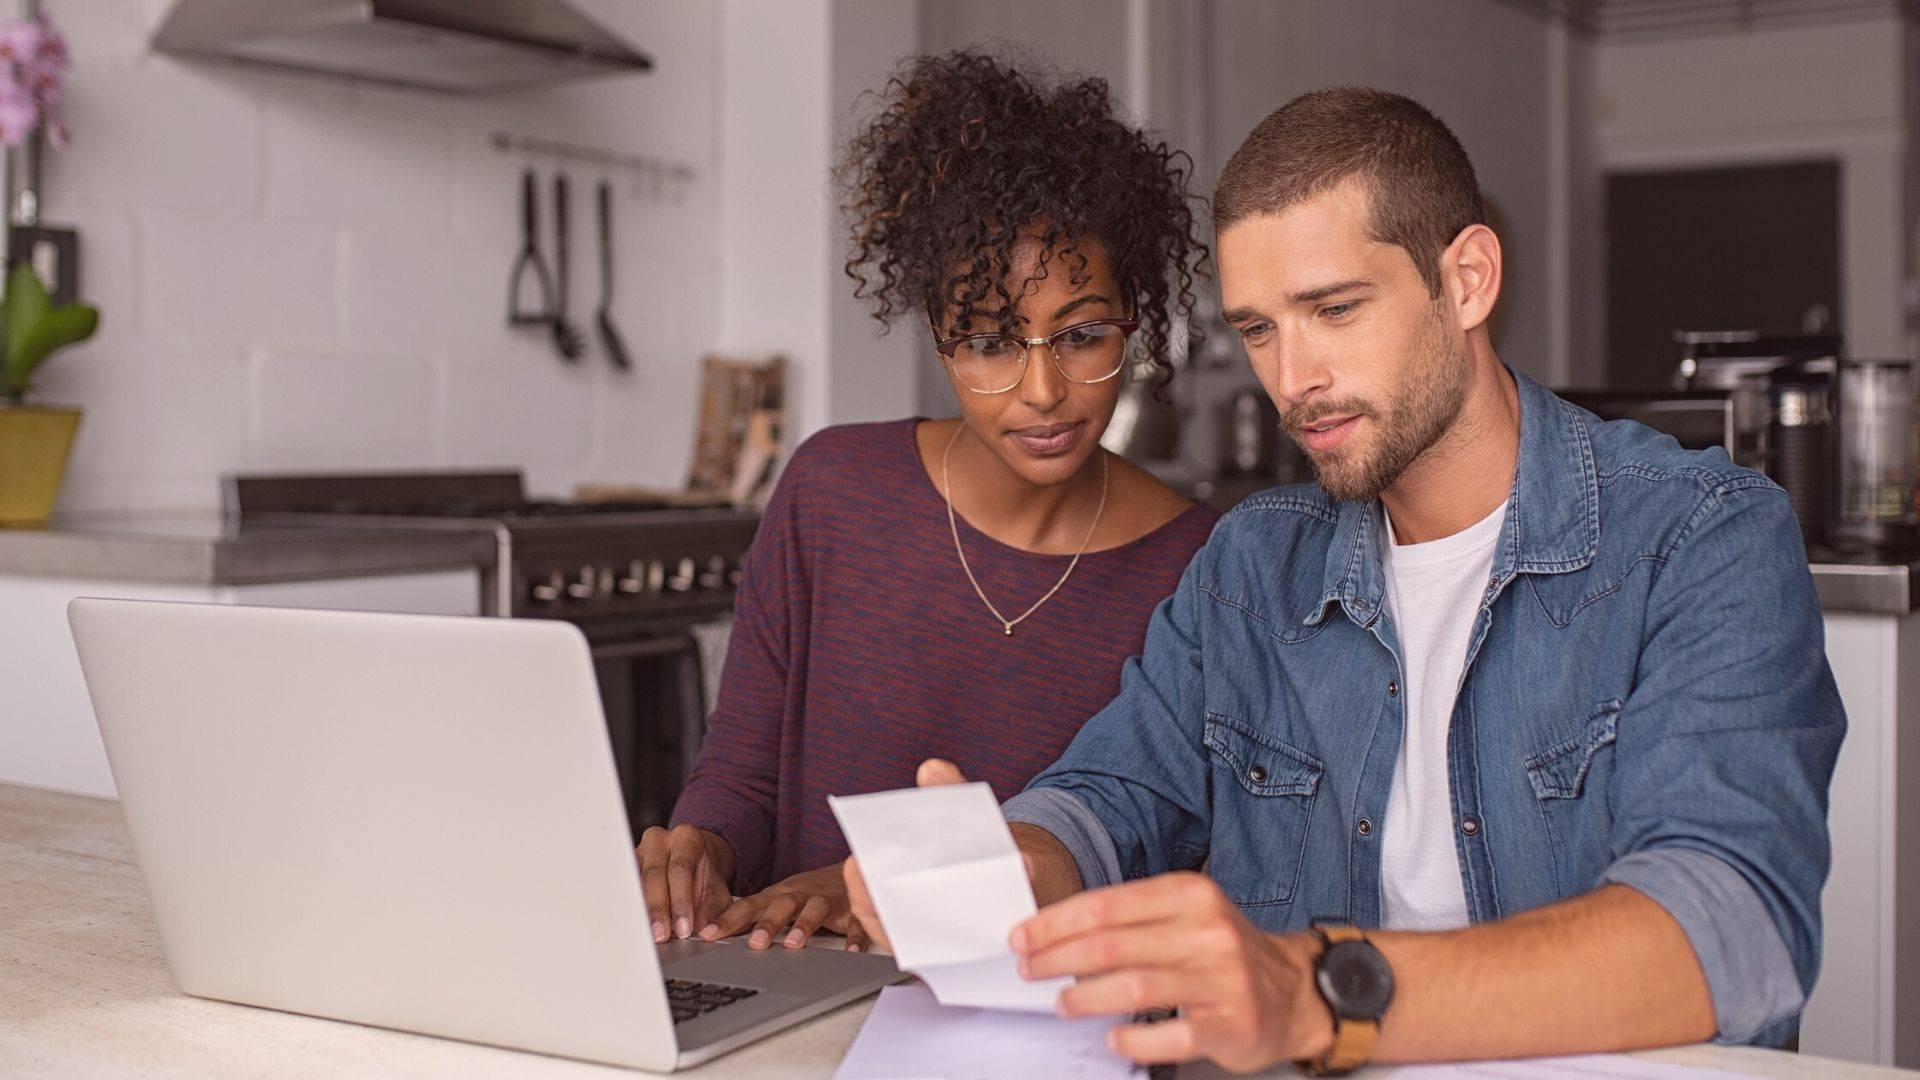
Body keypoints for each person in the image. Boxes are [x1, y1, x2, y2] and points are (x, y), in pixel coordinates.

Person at [848, 86, 1844, 1074]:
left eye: (1333, 309)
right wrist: (1007, 867)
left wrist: (1320, 993)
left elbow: (1733, 928)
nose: (1293, 378)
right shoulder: (1252, 567)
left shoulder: (1699, 535)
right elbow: (1111, 794)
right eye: (1260, 328)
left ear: (1468, 280)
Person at [636, 52, 1218, 954]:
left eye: (1084, 335)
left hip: (1034, 1027)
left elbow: (1156, 855)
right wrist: (699, 849)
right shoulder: (831, 491)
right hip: (795, 989)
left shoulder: (1199, 566)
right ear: (939, 341)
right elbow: (742, 777)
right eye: (988, 342)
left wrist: (878, 891)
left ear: (1134, 322)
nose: (1041, 391)